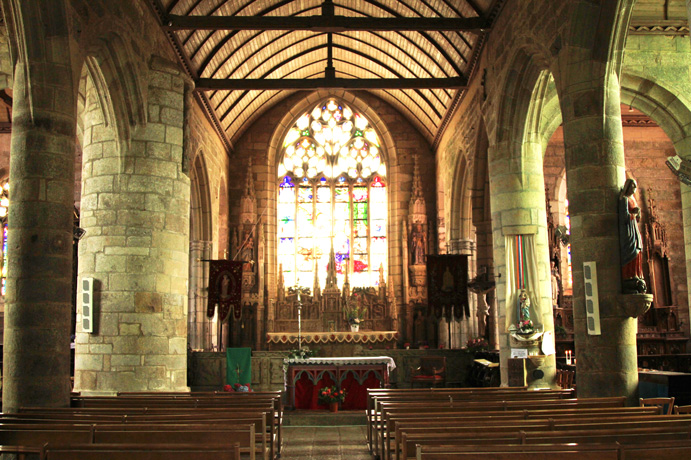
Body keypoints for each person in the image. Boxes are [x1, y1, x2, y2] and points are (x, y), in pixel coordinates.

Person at [619, 178, 645, 293]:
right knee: (630, 251)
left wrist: (637, 214)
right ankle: (629, 275)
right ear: (628, 187)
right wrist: (633, 214)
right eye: (632, 186)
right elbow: (623, 217)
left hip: (634, 229)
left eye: (635, 186)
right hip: (628, 231)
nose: (634, 188)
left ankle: (636, 274)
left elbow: (637, 218)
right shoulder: (624, 199)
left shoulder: (633, 199)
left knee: (637, 251)